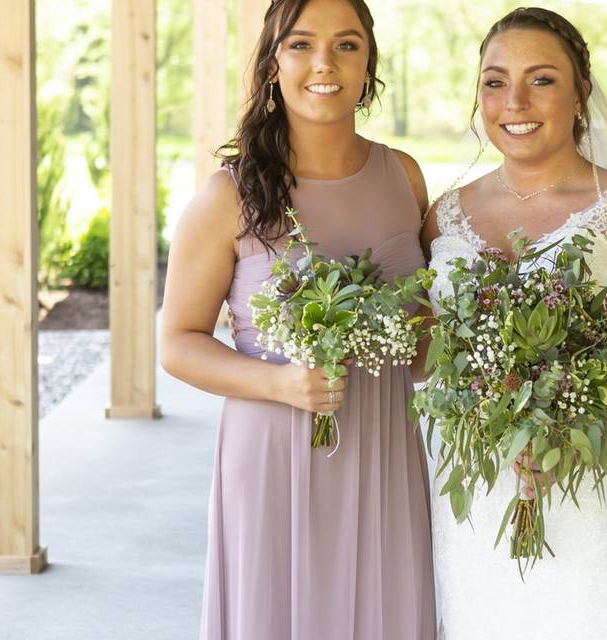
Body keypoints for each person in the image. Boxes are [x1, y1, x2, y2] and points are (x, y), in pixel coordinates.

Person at [421, 8, 607, 638]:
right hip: (479, 491)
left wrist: (577, 442)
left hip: (592, 488)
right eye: (495, 82)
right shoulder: (443, 215)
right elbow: (428, 350)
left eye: (542, 79)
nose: (514, 101)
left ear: (580, 93)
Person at [160, 0, 436, 637]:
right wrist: (281, 384)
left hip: (384, 446)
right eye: (301, 44)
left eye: (347, 45)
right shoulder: (228, 196)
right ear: (272, 62)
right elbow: (177, 343)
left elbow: (422, 337)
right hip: (273, 453)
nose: (324, 63)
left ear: (369, 64)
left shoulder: (405, 176)